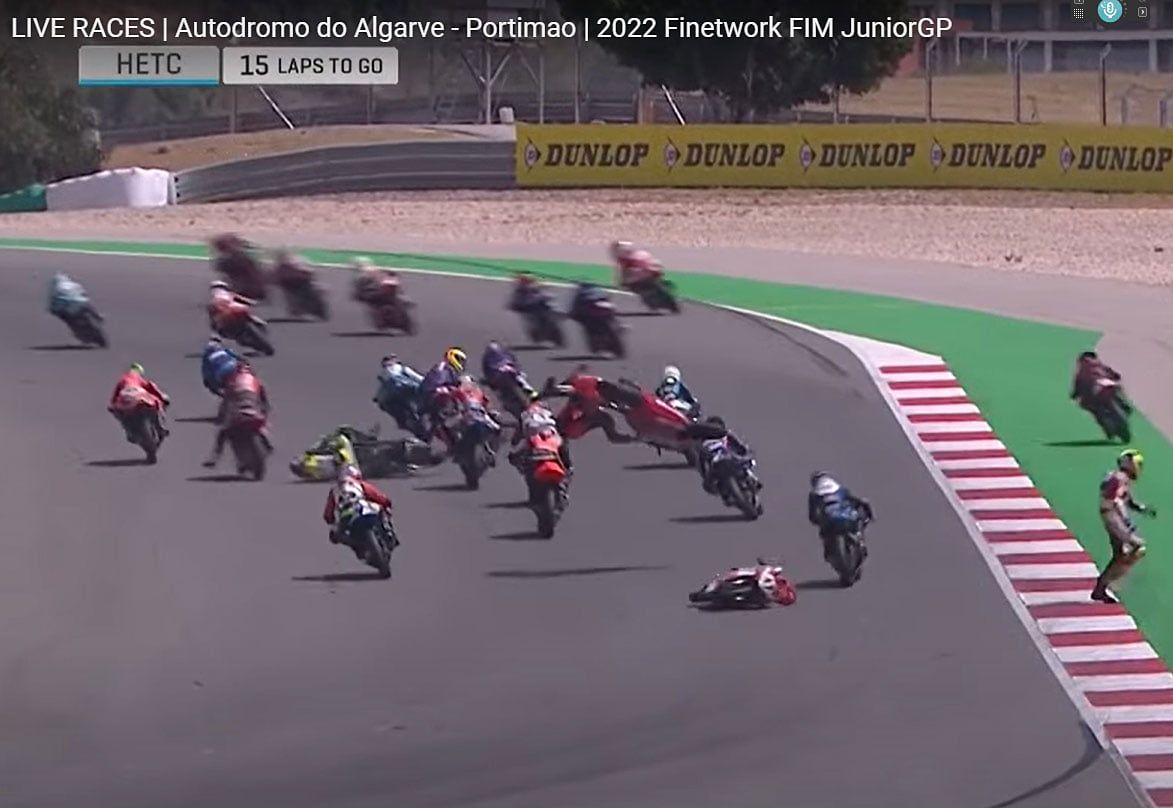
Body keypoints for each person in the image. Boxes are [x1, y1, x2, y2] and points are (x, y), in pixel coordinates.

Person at [1092, 449, 1156, 604]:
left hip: (1110, 514)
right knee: (1138, 547)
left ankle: (1101, 587)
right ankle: (1114, 578)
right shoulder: (1119, 478)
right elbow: (1117, 501)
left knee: (1120, 553)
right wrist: (1126, 520)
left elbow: (1127, 500)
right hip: (1112, 515)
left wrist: (1142, 508)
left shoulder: (1120, 477)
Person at [539, 365, 637, 443]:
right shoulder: (593, 387)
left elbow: (613, 435)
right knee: (579, 397)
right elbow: (571, 383)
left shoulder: (601, 403)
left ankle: (553, 391)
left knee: (605, 419)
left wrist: (632, 438)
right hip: (570, 423)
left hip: (573, 424)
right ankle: (553, 391)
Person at [203, 361, 273, 468]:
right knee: (261, 426)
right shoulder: (257, 382)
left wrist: (221, 417)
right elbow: (265, 404)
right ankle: (267, 444)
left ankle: (215, 457)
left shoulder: (232, 382)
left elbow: (225, 404)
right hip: (255, 415)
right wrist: (264, 413)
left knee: (223, 433)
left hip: (239, 415)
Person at [323, 463, 395, 557]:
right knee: (382, 512)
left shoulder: (334, 491)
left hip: (347, 518)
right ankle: (388, 533)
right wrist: (386, 502)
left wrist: (331, 521)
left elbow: (328, 514)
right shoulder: (359, 484)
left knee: (339, 536)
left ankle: (359, 549)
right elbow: (376, 495)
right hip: (362, 510)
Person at [808, 472, 875, 558]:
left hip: (830, 524)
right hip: (848, 519)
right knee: (860, 516)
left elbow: (812, 516)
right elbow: (854, 501)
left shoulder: (814, 494)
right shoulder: (841, 489)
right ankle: (860, 539)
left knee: (826, 542)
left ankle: (832, 551)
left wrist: (818, 521)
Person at [108, 363, 170, 442]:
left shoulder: (122, 380)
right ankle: (160, 429)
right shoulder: (137, 378)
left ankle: (129, 432)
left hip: (124, 398)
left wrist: (112, 404)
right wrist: (161, 396)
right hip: (138, 395)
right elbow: (150, 386)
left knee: (120, 414)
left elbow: (115, 394)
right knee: (155, 405)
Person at [694, 416, 753, 496]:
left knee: (747, 465)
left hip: (730, 460)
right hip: (719, 465)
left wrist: (744, 453)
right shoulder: (705, 442)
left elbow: (741, 447)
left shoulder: (725, 435)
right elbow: (702, 461)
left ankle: (750, 479)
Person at [373, 355, 425, 434]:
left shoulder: (383, 374)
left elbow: (382, 389)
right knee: (420, 402)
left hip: (393, 396)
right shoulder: (401, 368)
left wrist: (377, 398)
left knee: (395, 409)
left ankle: (402, 422)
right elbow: (417, 377)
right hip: (408, 390)